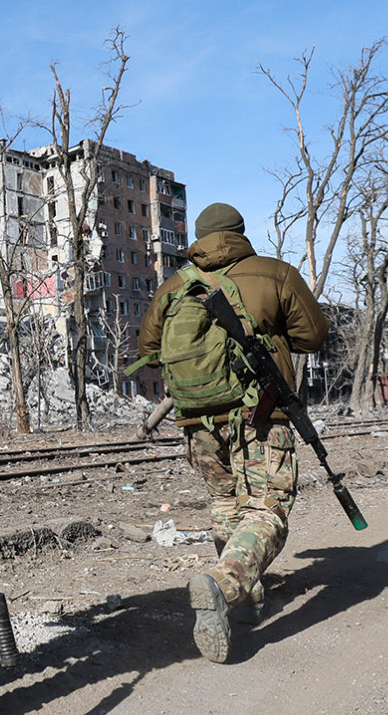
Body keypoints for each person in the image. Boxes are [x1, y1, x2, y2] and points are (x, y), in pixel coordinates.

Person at [136, 202, 329, 663]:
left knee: (226, 502)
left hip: (196, 419)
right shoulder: (274, 274)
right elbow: (314, 336)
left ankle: (245, 598)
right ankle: (224, 585)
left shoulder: (173, 287)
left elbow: (148, 350)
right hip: (261, 413)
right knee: (268, 508)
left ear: (198, 239)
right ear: (240, 232)